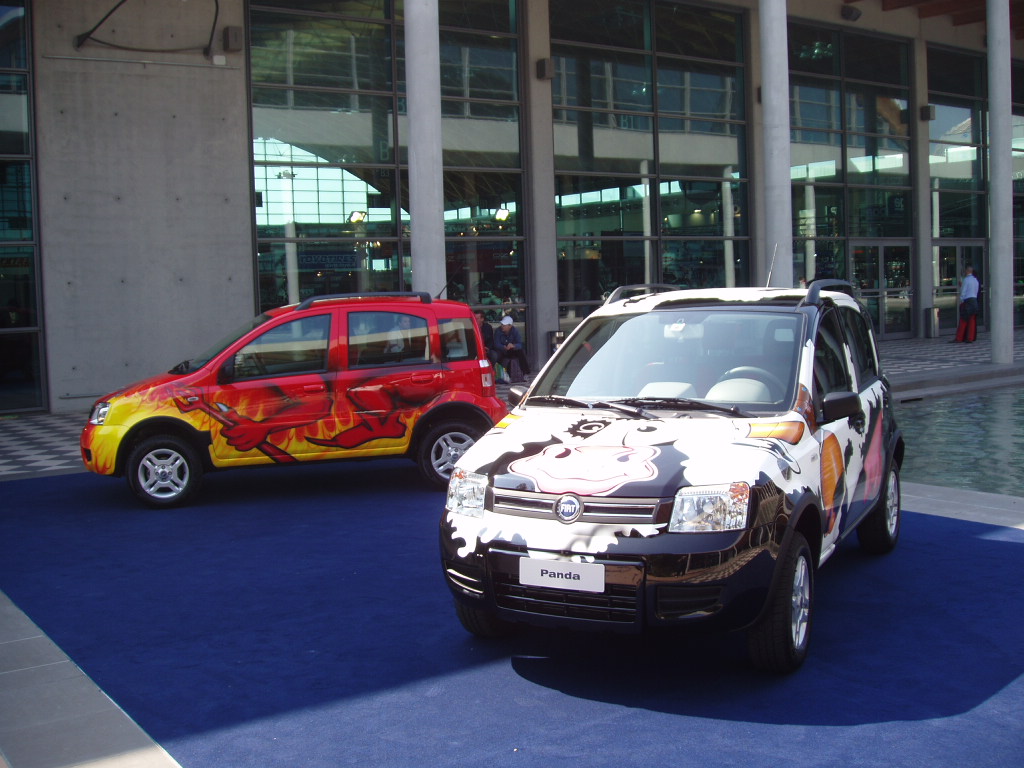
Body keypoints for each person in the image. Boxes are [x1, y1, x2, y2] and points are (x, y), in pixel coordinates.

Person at [494, 315, 530, 383]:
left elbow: (520, 344)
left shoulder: (515, 331)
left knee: (520, 352)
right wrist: (503, 347)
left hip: (511, 350)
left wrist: (513, 345)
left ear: (510, 326)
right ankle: (500, 375)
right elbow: (496, 344)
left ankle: (525, 373)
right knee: (497, 355)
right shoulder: (498, 331)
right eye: (502, 324)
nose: (502, 326)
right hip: (502, 351)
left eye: (504, 325)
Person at [954, 265, 980, 343]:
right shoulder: (976, 280)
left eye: (966, 271)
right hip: (974, 301)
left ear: (968, 271)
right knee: (972, 320)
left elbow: (963, 291)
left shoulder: (966, 280)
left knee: (963, 320)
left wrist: (961, 300)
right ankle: (970, 338)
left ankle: (959, 338)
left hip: (967, 301)